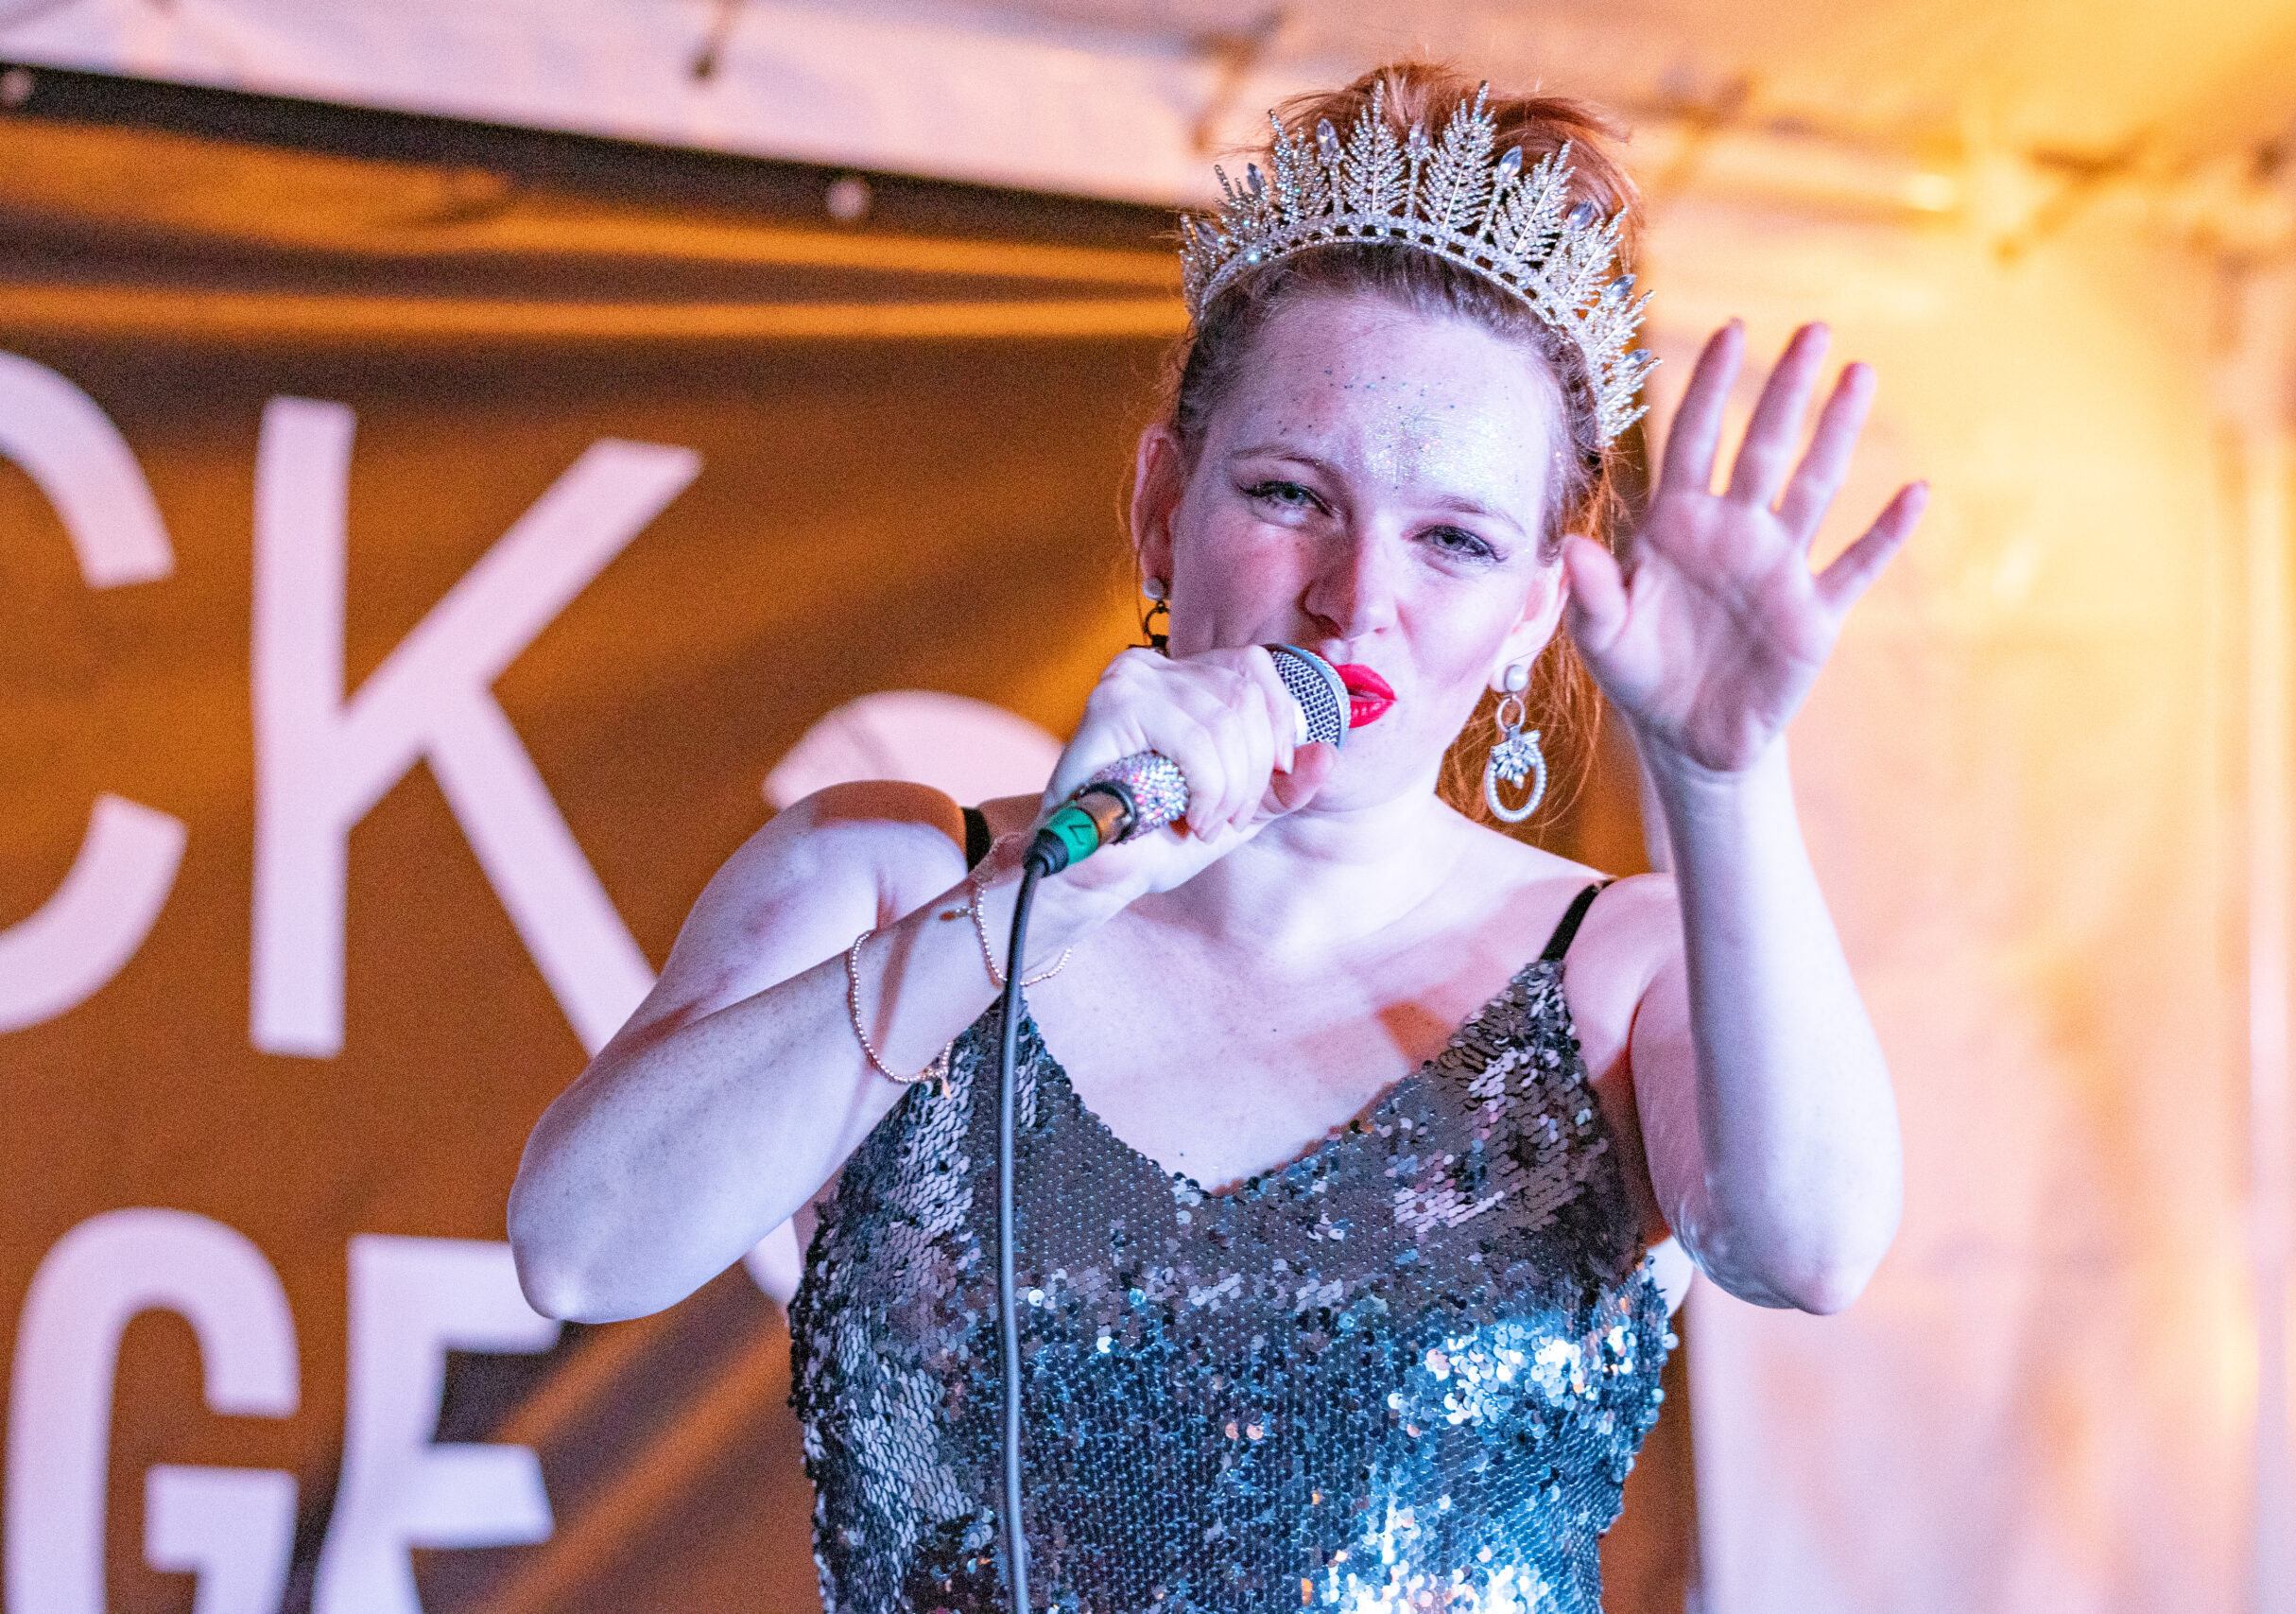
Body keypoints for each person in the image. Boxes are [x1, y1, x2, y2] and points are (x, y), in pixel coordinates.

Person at [509, 60, 1923, 1614]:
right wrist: (1036, 902)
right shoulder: (888, 874)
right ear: (1160, 506)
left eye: (1455, 540)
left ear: (1536, 611)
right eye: (1292, 495)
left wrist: (1722, 782)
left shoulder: (1623, 966)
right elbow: (583, 1247)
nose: (1358, 596)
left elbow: (1808, 1247)